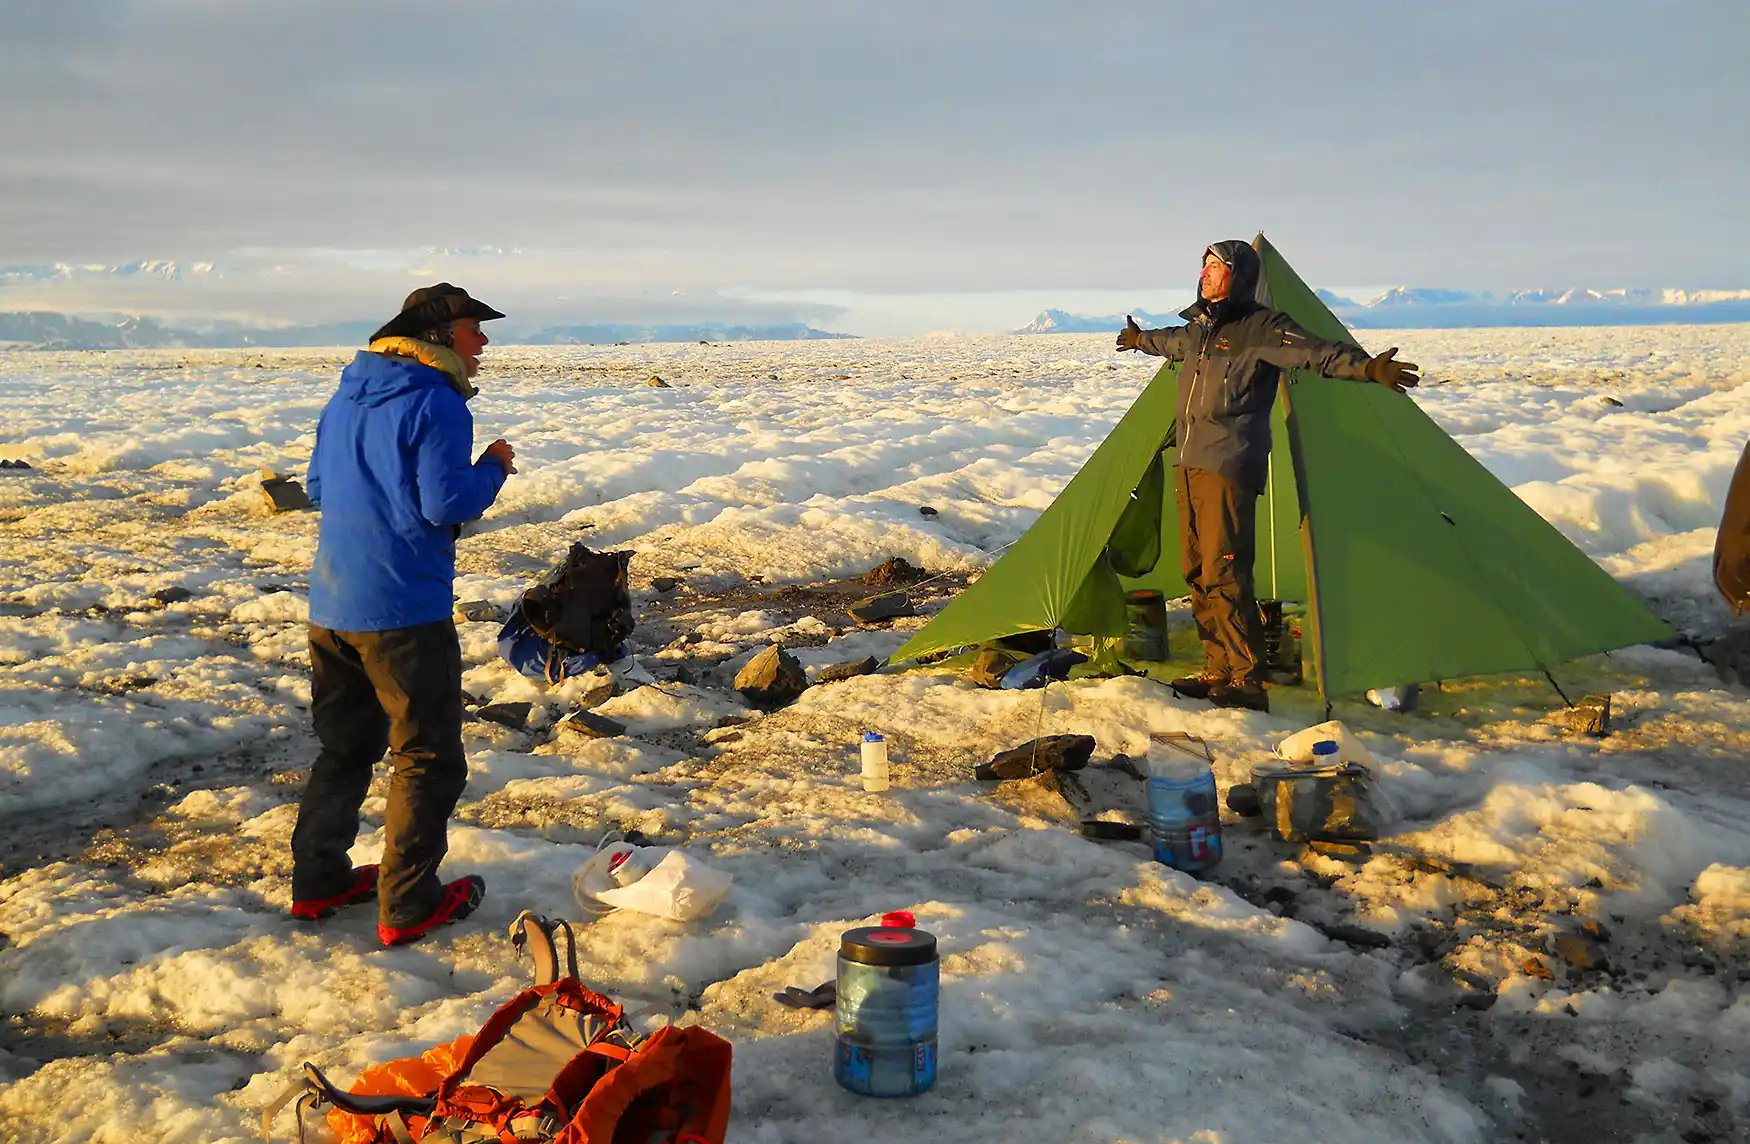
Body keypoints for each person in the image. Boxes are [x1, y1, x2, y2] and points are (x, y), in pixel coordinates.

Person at [290, 284, 515, 946]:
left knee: (344, 747)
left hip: (333, 605)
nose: (483, 342)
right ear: (441, 335)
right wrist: (494, 468)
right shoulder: (437, 401)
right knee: (428, 755)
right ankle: (410, 904)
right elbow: (447, 502)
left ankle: (319, 881)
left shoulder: (347, 395)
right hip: (403, 612)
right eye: (476, 328)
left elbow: (318, 488)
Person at [1116, 241, 1419, 712]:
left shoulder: (1261, 328)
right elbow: (1168, 341)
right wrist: (1139, 340)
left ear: (1238, 276)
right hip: (1189, 462)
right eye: (1205, 264)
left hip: (1227, 464)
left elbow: (1316, 353)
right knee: (1195, 571)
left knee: (1225, 572)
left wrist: (1366, 367)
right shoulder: (1198, 330)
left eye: (1217, 266)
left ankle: (1247, 680)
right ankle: (1218, 667)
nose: (1206, 273)